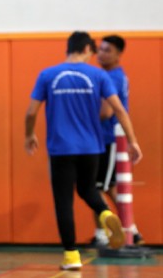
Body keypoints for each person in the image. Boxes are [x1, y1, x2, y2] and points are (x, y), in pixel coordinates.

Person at [24, 31, 142, 270]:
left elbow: (31, 112)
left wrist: (29, 135)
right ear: (88, 48)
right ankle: (106, 214)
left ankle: (71, 257)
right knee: (89, 189)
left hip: (60, 149)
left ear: (68, 48)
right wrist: (132, 141)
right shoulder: (99, 75)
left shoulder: (48, 75)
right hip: (92, 148)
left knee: (64, 201)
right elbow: (118, 110)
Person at [92, 35, 144, 246]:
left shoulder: (111, 77)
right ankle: (131, 230)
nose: (102, 53)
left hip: (107, 138)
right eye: (100, 49)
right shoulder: (112, 75)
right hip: (107, 138)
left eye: (108, 50)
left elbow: (104, 111)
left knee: (95, 187)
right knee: (110, 187)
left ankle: (103, 235)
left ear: (118, 54)